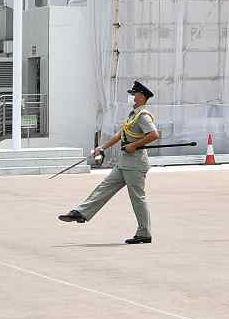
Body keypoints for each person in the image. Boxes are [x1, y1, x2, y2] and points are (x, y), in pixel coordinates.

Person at [60, 80, 160, 244]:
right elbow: (121, 134)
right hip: (124, 162)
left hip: (135, 164)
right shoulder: (133, 114)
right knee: (104, 187)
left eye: (134, 94)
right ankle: (81, 212)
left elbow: (154, 134)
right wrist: (102, 148)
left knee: (137, 198)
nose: (131, 97)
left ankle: (144, 233)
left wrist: (134, 145)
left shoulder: (143, 116)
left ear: (141, 96)